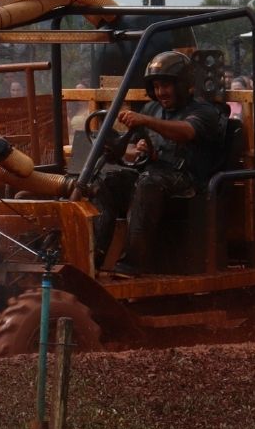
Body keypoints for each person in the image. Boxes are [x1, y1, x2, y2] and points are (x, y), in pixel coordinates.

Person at [87, 51, 224, 273]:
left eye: (167, 86)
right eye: (157, 87)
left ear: (182, 84)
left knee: (149, 182)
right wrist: (135, 150)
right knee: (105, 181)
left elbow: (186, 132)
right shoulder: (153, 108)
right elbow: (130, 147)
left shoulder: (204, 111)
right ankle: (95, 256)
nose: (161, 92)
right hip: (151, 173)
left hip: (188, 181)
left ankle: (133, 262)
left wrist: (147, 121)